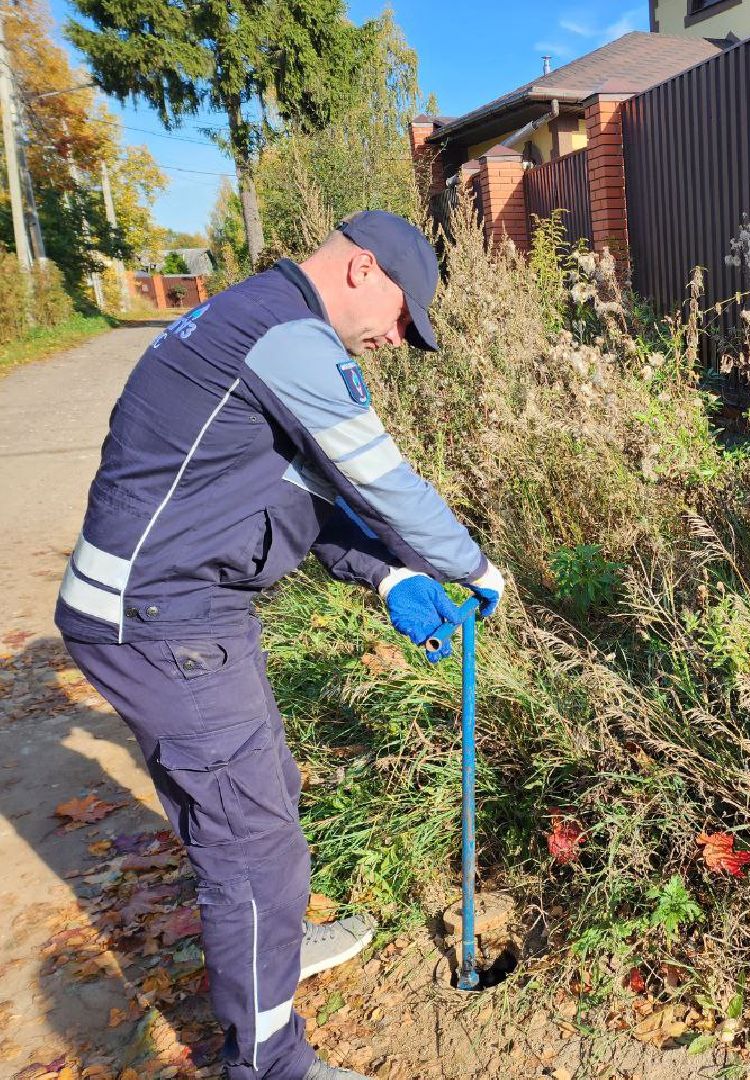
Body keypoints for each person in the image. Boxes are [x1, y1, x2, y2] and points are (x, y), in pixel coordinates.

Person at [56, 210, 504, 1080]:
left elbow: (306, 491)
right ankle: (268, 1063)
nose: (392, 338)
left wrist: (388, 577)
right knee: (251, 848)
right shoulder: (287, 340)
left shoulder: (253, 323)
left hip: (184, 613)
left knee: (265, 797)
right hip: (161, 621)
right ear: (362, 270)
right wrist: (472, 566)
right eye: (401, 317)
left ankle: (274, 946)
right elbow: (379, 479)